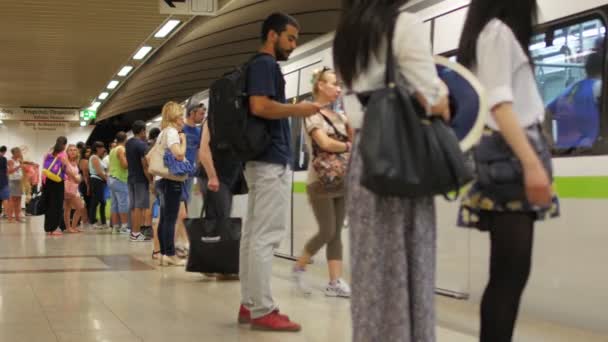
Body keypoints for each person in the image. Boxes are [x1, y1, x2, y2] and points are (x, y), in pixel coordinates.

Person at [334, 1, 450, 341]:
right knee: (410, 265)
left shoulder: (346, 36)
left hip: (364, 162)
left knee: (373, 271)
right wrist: (444, 94)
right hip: (403, 160)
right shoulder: (405, 25)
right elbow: (433, 99)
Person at [456, 1, 560, 341]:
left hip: (502, 156)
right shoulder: (497, 33)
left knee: (507, 273)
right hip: (508, 158)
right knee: (509, 275)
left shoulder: (485, 35)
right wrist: (531, 164)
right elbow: (500, 105)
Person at [237, 12, 321, 332]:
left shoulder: (258, 66)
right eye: (290, 38)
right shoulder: (264, 65)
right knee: (265, 236)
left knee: (253, 235)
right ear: (272, 35)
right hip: (270, 160)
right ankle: (262, 309)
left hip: (262, 160)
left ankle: (250, 303)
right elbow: (260, 106)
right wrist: (298, 109)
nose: (293, 45)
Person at [292, 68, 352, 297]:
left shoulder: (342, 117)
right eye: (334, 84)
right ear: (320, 86)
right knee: (327, 230)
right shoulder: (312, 114)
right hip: (319, 182)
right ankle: (299, 266)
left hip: (341, 179)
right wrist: (347, 146)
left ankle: (334, 282)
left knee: (336, 233)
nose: (338, 88)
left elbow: (356, 138)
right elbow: (324, 143)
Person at [199, 106, 247, 280]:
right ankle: (223, 267)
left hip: (226, 177)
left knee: (216, 219)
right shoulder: (212, 119)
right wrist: (212, 176)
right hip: (215, 176)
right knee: (221, 219)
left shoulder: (234, 121)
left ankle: (211, 265)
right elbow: (203, 151)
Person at [546, 52, 603, 151]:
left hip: (565, 154)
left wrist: (551, 144)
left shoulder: (570, 89)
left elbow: (546, 112)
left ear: (586, 69)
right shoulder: (600, 87)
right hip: (590, 153)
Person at [155, 101, 188, 267]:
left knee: (164, 218)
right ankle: (170, 254)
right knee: (170, 218)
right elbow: (179, 155)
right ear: (174, 117)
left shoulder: (162, 133)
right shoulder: (173, 133)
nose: (183, 120)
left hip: (160, 180)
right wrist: (184, 141)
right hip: (170, 180)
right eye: (181, 116)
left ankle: (163, 253)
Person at [174, 102, 206, 258]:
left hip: (190, 176)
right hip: (179, 174)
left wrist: (200, 176)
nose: (203, 116)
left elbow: (200, 154)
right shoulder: (181, 130)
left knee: (183, 207)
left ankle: (179, 242)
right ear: (192, 113)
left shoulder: (199, 131)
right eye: (201, 113)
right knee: (181, 208)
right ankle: (183, 243)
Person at [43, 137, 77, 236]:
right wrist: (75, 177)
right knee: (57, 205)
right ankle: (53, 229)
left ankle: (48, 228)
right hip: (57, 181)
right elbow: (66, 168)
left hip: (48, 180)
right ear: (65, 145)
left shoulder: (50, 151)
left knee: (49, 204)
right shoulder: (62, 154)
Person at [126, 120, 152, 242]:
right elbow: (145, 165)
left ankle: (134, 232)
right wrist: (150, 180)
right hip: (141, 179)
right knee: (139, 207)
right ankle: (136, 233)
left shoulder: (128, 143)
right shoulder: (142, 145)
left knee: (133, 206)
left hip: (130, 178)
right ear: (142, 131)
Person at [108, 132, 130, 235]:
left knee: (114, 204)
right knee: (123, 203)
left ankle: (115, 227)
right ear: (126, 139)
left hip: (111, 178)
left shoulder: (112, 150)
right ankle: (124, 227)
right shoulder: (121, 149)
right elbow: (124, 165)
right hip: (120, 179)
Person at [63, 144, 83, 233]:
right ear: (67, 152)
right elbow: (68, 172)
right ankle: (70, 227)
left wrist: (78, 178)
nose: (73, 151)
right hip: (68, 187)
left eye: (74, 150)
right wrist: (76, 179)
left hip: (74, 187)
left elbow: (77, 175)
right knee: (80, 207)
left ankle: (71, 227)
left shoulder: (76, 162)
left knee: (68, 208)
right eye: (70, 150)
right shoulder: (65, 161)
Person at [88, 141, 108, 229]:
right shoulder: (94, 157)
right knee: (95, 201)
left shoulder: (99, 158)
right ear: (97, 148)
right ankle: (92, 221)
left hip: (100, 181)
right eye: (102, 147)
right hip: (96, 180)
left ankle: (103, 221)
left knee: (102, 202)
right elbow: (99, 172)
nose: (103, 149)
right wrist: (107, 179)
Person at [7, 147, 25, 223]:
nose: (20, 153)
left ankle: (17, 217)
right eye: (19, 152)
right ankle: (10, 219)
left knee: (18, 200)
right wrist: (18, 166)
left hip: (19, 182)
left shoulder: (19, 160)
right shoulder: (10, 161)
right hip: (12, 182)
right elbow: (9, 171)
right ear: (15, 153)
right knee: (11, 201)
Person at [78, 146, 92, 228]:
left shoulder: (82, 160)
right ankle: (86, 220)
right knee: (87, 202)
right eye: (87, 152)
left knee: (87, 202)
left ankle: (85, 219)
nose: (89, 153)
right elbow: (85, 175)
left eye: (90, 151)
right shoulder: (85, 161)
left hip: (84, 183)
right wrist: (88, 186)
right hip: (85, 183)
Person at [0, 146, 9, 217]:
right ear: (4, 151)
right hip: (3, 180)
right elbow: (6, 171)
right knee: (5, 198)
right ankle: (5, 214)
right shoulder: (4, 159)